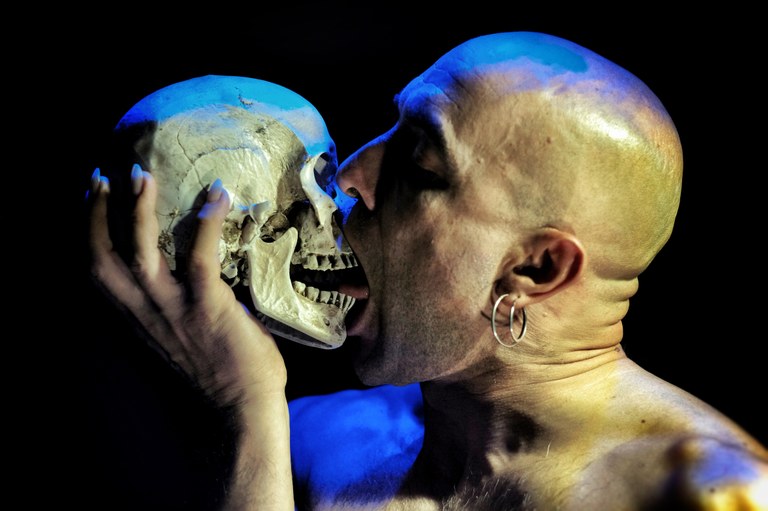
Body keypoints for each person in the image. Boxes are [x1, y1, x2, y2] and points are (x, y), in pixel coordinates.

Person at [87, 31, 768, 510]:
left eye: (419, 164)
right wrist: (248, 417)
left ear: (536, 268)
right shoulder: (311, 440)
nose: (350, 176)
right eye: (390, 126)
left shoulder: (713, 494)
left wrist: (248, 420)